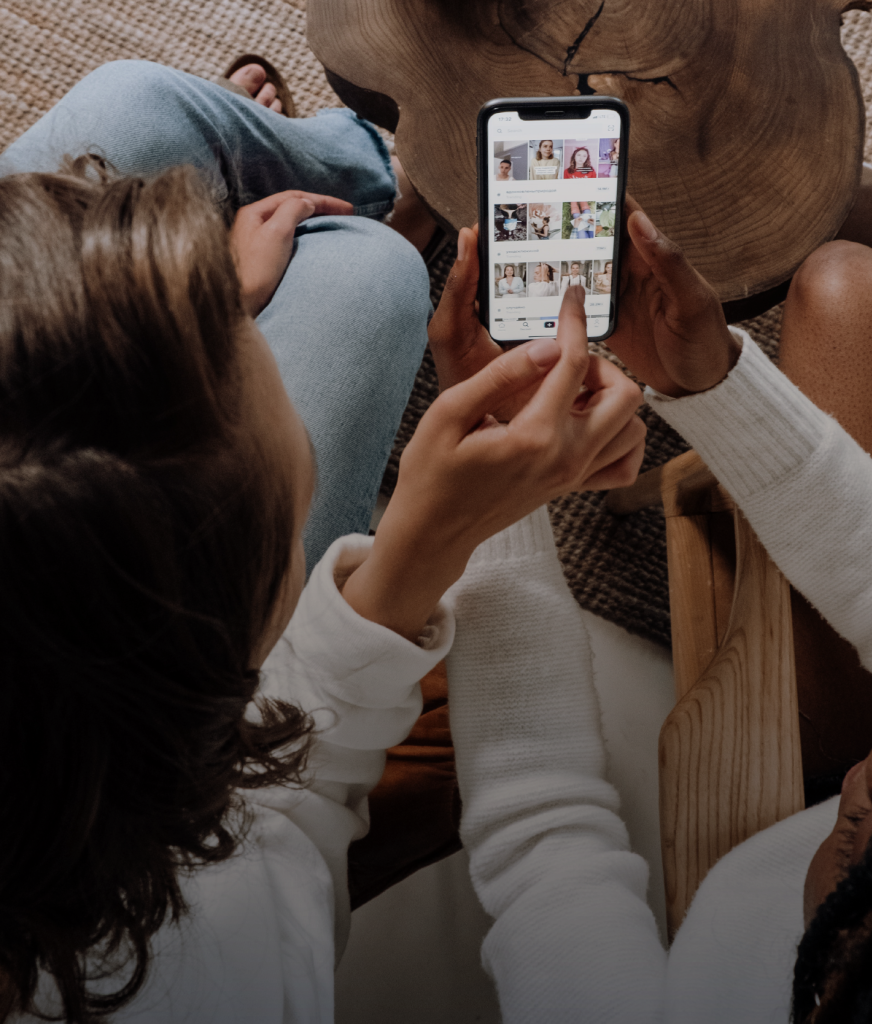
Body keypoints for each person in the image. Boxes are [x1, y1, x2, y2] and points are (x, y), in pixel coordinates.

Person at [0, 58, 649, 1024]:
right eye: (252, 355)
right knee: (366, 271)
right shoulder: (232, 962)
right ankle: (376, 189)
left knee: (130, 111)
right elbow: (292, 805)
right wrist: (448, 540)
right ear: (235, 668)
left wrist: (185, 310)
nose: (249, 312)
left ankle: (369, 166)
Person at [435, 177, 872, 1022]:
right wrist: (717, 388)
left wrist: (491, 487)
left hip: (810, 764)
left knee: (845, 286)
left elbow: (540, 833)